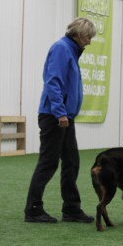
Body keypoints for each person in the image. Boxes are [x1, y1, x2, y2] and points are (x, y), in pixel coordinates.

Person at [24, 17, 96, 223]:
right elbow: (52, 82)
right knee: (48, 163)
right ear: (80, 34)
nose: (90, 42)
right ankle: (33, 209)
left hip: (65, 116)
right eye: (89, 37)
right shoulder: (61, 49)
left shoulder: (71, 51)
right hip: (55, 116)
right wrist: (60, 112)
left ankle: (71, 209)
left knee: (71, 162)